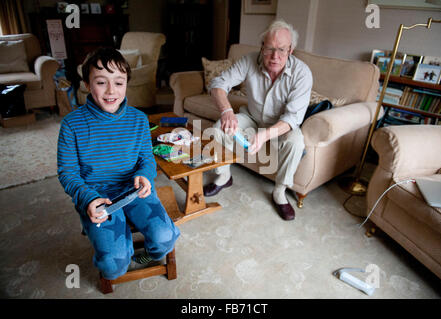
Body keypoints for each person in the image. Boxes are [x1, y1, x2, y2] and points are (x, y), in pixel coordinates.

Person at [57, 47, 180, 280]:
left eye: (119, 82)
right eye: (101, 82)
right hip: (96, 195)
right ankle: (117, 252)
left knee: (165, 238)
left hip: (134, 190)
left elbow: (146, 159)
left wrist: (145, 174)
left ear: (126, 84)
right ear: (86, 84)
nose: (111, 90)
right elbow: (68, 173)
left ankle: (144, 255)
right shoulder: (72, 124)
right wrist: (88, 198)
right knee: (113, 267)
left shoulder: (139, 119)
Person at [203, 19, 313, 221]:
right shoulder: (249, 60)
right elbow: (218, 83)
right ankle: (224, 176)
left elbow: (292, 117)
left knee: (296, 142)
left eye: (281, 49)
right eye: (269, 48)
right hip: (251, 117)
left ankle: (279, 191)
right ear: (262, 47)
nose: (274, 56)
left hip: (282, 125)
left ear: (291, 50)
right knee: (219, 128)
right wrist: (226, 110)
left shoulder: (302, 73)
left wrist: (265, 135)